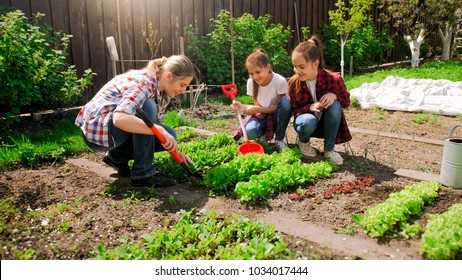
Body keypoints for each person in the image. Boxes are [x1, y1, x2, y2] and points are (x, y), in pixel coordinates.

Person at [75, 55, 195, 187]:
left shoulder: (163, 93)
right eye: (182, 85)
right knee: (147, 106)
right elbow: (120, 118)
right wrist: (158, 129)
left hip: (114, 130)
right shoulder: (144, 83)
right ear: (168, 76)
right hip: (99, 130)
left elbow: (152, 127)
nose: (183, 91)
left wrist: (175, 152)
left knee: (169, 135)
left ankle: (116, 157)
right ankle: (143, 174)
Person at [288, 36, 352, 165]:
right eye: (295, 66)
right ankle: (304, 142)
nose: (297, 71)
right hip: (306, 124)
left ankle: (329, 150)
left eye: (301, 67)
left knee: (335, 106)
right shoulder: (294, 83)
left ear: (315, 64)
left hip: (326, 125)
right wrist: (309, 107)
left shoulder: (333, 79)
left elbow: (346, 102)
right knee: (307, 120)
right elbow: (295, 109)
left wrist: (334, 96)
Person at [231, 49, 292, 152]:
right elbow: (257, 105)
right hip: (262, 115)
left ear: (267, 67)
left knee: (287, 102)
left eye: (258, 72)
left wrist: (256, 109)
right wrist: (243, 108)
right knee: (249, 131)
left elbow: (280, 108)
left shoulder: (279, 81)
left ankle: (279, 140)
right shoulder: (251, 82)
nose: (255, 77)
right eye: (251, 73)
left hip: (277, 117)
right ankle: (262, 135)